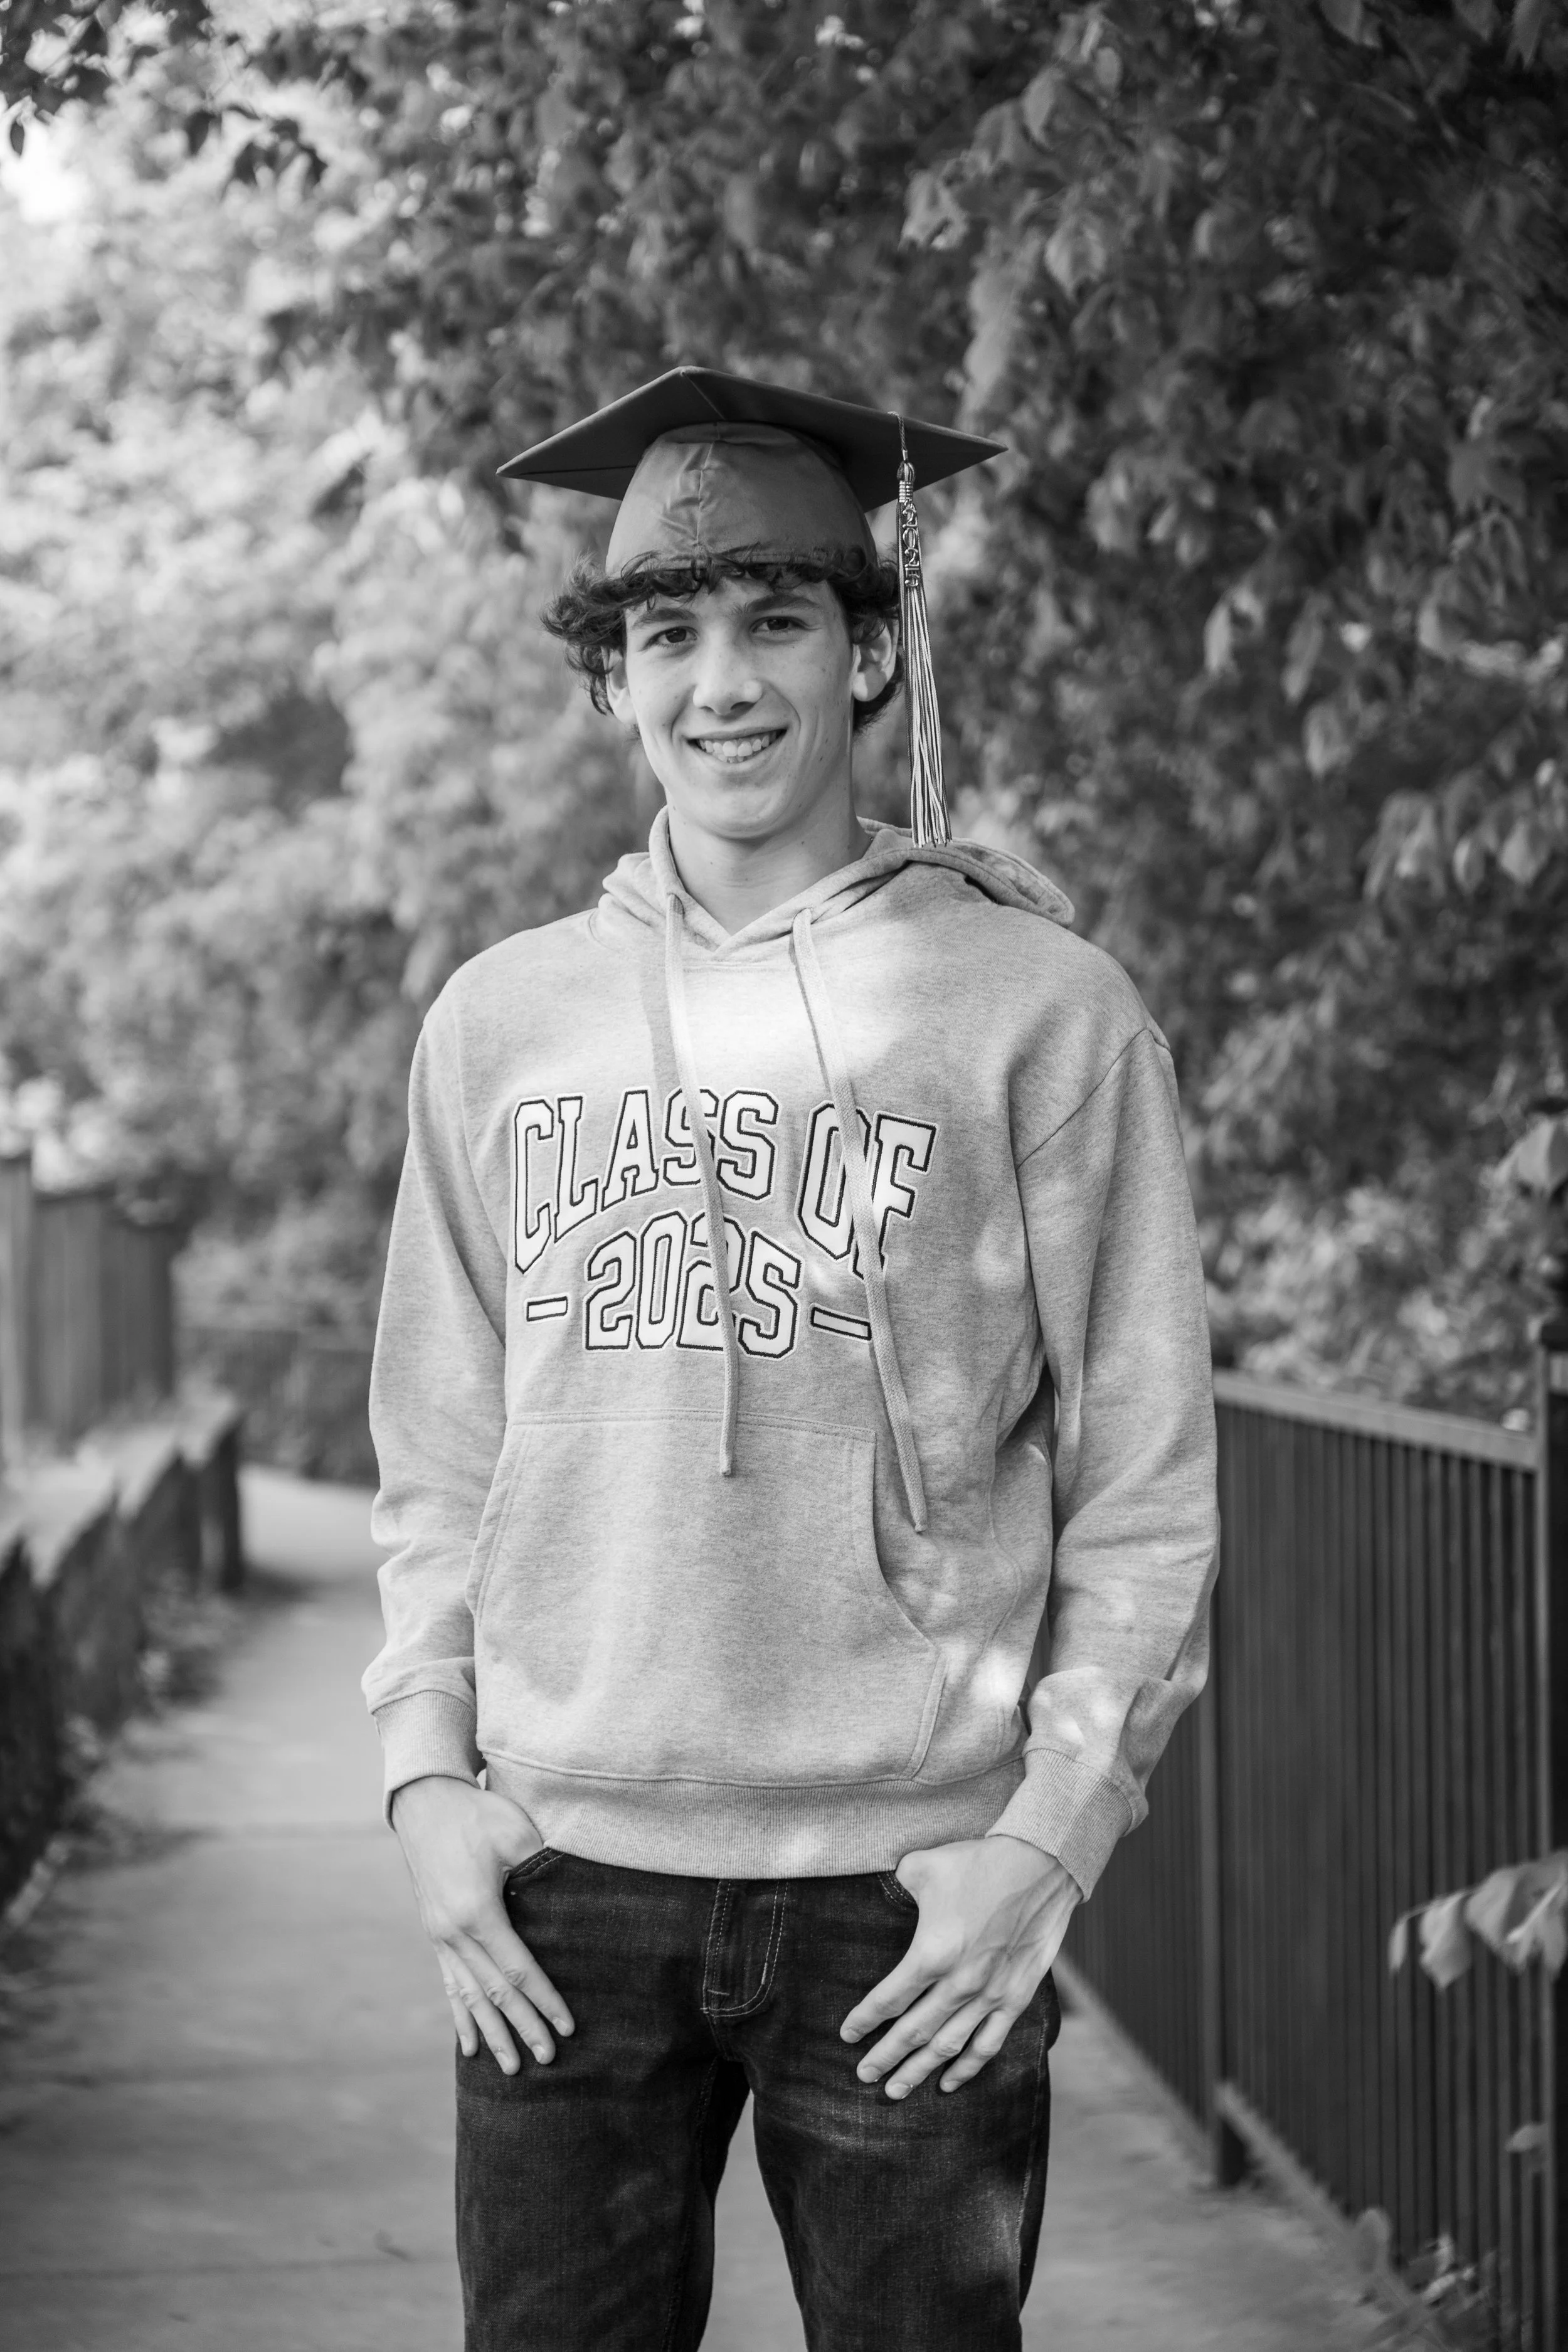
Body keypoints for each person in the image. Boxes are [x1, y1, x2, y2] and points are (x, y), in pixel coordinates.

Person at [363, 367, 1218, 2352]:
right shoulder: (500, 1025)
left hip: (910, 1892)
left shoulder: (1041, 1011)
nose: (719, 681)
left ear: (867, 655)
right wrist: (427, 1784)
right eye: (668, 633)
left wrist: (1043, 1843)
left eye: (772, 623)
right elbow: (436, 1450)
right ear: (611, 684)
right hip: (560, 1881)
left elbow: (1146, 1484)